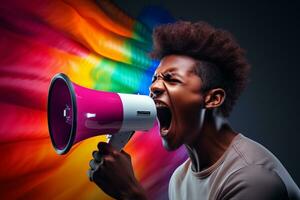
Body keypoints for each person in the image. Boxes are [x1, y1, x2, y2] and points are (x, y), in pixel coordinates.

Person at [87, 21, 300, 200]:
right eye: (155, 79)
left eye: (171, 79)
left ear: (213, 98)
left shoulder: (253, 179)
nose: (154, 87)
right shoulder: (180, 178)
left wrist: (130, 193)